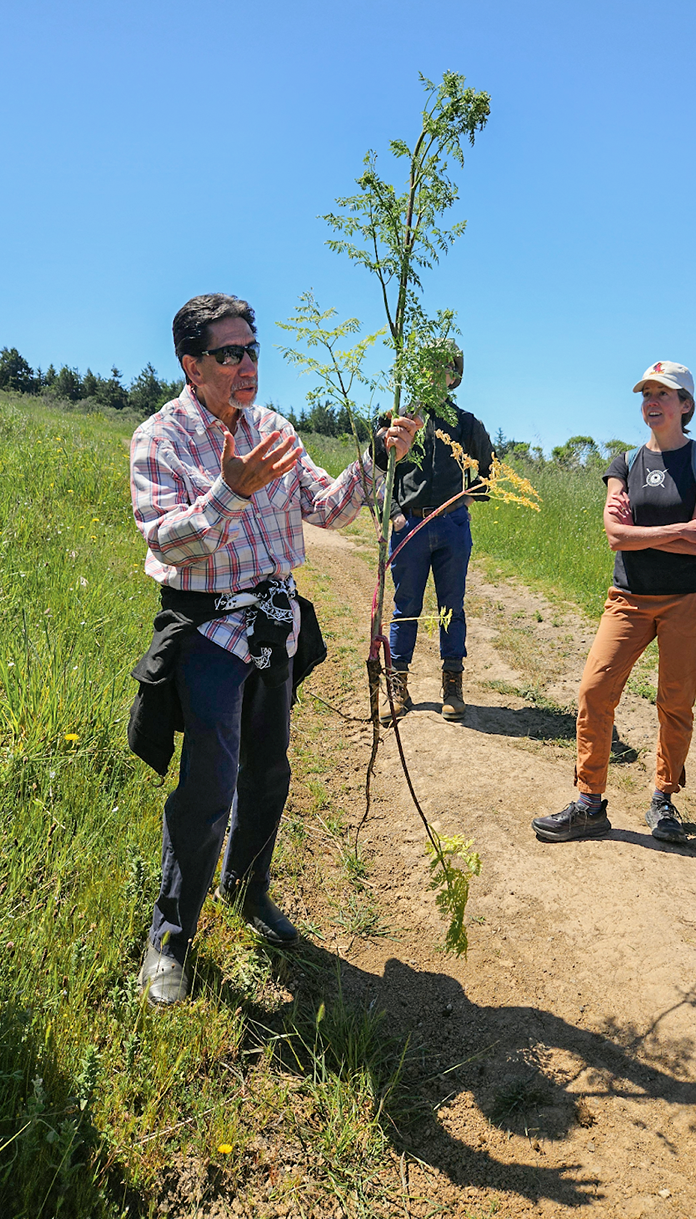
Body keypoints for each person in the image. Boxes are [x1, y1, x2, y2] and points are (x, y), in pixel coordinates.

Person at [128, 293, 419, 1005]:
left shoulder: (276, 430)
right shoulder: (159, 438)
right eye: (229, 353)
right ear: (192, 364)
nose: (247, 363)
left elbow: (330, 508)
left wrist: (377, 459)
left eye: (253, 349)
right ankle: (169, 936)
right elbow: (165, 538)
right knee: (208, 785)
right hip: (207, 632)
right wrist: (228, 492)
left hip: (272, 627)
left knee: (268, 773)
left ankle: (246, 889)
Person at [532, 361, 696, 845]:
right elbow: (615, 535)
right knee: (595, 691)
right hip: (628, 599)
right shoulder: (623, 464)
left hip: (687, 602)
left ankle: (664, 799)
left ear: (686, 405)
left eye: (664, 394)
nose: (653, 401)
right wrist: (678, 530)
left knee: (675, 701)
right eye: (647, 393)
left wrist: (649, 535)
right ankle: (589, 804)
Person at [385, 344, 493, 722]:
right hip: (409, 526)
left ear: (454, 376)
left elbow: (490, 474)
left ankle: (452, 684)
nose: (435, 374)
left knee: (452, 606)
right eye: (427, 367)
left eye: (443, 368)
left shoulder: (467, 425)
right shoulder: (400, 420)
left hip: (451, 526)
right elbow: (379, 474)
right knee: (405, 607)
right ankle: (397, 686)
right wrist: (396, 515)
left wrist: (464, 501)